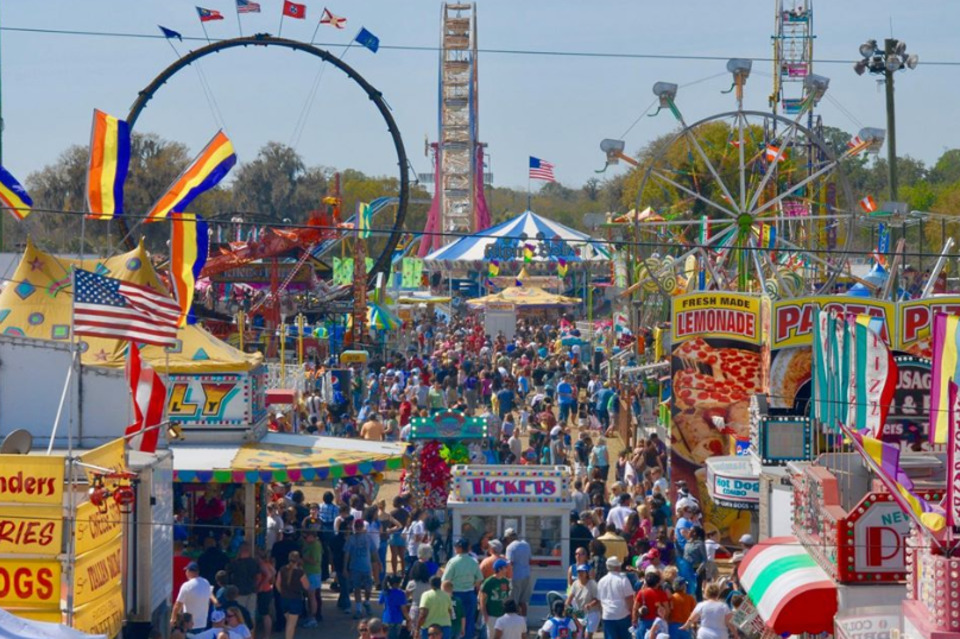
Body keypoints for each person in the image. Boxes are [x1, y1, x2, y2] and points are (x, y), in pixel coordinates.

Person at [444, 538, 483, 639]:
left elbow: (445, 580)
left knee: (455, 620)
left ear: (459, 548)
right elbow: (479, 579)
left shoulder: (453, 562)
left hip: (456, 595)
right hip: (470, 594)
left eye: (456, 546)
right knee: (469, 621)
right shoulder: (474, 562)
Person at [345, 518, 381, 619]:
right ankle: (358, 609)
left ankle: (367, 601)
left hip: (367, 567)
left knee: (368, 588)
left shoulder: (368, 538)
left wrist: (379, 563)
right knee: (356, 588)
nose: (358, 528)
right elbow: (347, 554)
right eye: (357, 526)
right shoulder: (351, 539)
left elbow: (374, 552)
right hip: (355, 567)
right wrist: (345, 567)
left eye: (360, 526)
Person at [596, 556, 633, 639]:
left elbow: (599, 600)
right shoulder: (623, 580)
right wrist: (632, 613)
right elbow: (629, 599)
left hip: (608, 615)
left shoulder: (601, 581)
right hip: (623, 614)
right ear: (617, 567)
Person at [276, 551, 310, 639]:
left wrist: (282, 592)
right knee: (291, 625)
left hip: (284, 599)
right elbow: (307, 586)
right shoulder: (300, 572)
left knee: (289, 622)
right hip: (295, 599)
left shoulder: (282, 569)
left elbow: (277, 584)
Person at [172, 562, 213, 630]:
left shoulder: (186, 586)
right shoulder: (206, 583)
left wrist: (173, 618)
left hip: (189, 624)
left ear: (189, 571)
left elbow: (178, 605)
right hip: (203, 623)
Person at [566, 563, 601, 638]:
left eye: (582, 571)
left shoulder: (592, 584)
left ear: (586, 573)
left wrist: (590, 605)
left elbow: (598, 599)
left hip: (593, 613)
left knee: (587, 636)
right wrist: (566, 606)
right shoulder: (575, 584)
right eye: (578, 572)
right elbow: (570, 597)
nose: (580, 573)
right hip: (580, 613)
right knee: (578, 635)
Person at [503, 529, 532, 617]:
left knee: (514, 602)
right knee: (523, 602)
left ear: (508, 538)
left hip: (515, 577)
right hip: (526, 575)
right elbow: (529, 560)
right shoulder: (526, 544)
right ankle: (524, 623)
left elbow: (509, 564)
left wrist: (505, 577)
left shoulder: (510, 547)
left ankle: (514, 622)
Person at [480, 559, 511, 639]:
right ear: (500, 569)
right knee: (492, 635)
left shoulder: (505, 581)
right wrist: (485, 614)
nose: (507, 569)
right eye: (505, 567)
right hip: (491, 614)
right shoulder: (489, 582)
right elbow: (482, 600)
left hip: (503, 614)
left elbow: (506, 598)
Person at [227, 543, 260, 617]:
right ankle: (252, 628)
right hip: (252, 591)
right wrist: (256, 586)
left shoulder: (235, 563)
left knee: (239, 615)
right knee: (251, 614)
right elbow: (258, 577)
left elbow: (229, 577)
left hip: (239, 592)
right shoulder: (254, 562)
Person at [632, 572, 669, 637]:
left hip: (644, 621)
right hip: (657, 622)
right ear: (657, 583)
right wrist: (665, 619)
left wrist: (634, 620)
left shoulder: (642, 593)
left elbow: (635, 608)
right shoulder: (662, 594)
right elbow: (667, 609)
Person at [301, 530, 324, 626]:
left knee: (312, 596)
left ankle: (313, 618)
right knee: (308, 596)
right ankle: (310, 616)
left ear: (313, 536)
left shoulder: (316, 546)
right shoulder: (308, 544)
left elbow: (315, 561)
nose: (305, 538)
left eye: (307, 537)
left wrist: (302, 558)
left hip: (313, 573)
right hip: (307, 572)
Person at [255, 548, 276, 639]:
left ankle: (266, 635)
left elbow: (269, 574)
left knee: (265, 614)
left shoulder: (262, 565)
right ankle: (267, 635)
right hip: (268, 589)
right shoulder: (268, 564)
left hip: (263, 590)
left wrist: (261, 585)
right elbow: (274, 572)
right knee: (266, 612)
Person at [380, 574, 409, 639]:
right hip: (397, 619)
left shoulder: (384, 592)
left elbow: (380, 602)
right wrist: (408, 618)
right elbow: (403, 609)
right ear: (398, 583)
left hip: (386, 618)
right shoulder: (401, 593)